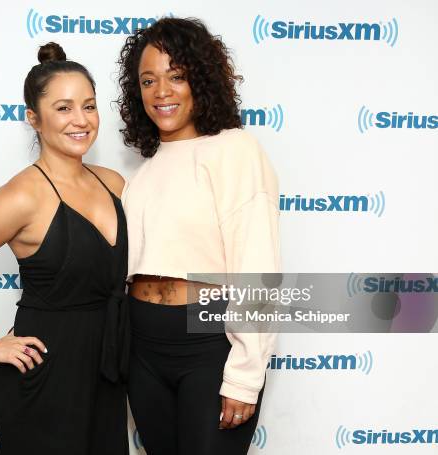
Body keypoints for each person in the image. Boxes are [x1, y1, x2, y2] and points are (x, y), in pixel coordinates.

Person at [0, 42, 130, 455]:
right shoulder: (23, 196)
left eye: (89, 106)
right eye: (63, 108)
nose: (81, 120)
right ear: (33, 119)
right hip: (42, 379)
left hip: (106, 374)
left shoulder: (114, 183)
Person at [116, 18, 280, 454]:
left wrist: (245, 377)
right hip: (143, 345)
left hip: (207, 344)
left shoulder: (235, 150)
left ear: (201, 79)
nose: (161, 91)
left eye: (176, 76)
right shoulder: (145, 171)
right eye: (148, 80)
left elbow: (257, 268)